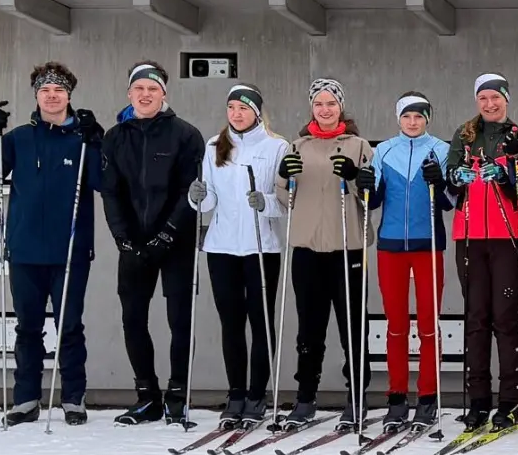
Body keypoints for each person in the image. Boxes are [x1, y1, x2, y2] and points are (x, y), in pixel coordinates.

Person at [0, 63, 103, 427]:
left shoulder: (80, 138)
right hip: (26, 251)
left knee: (70, 326)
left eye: (58, 90)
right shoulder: (19, 137)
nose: (51, 95)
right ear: (36, 95)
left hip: (70, 252)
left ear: (68, 96)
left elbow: (101, 180)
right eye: (45, 90)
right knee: (27, 327)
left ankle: (74, 399)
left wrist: (96, 140)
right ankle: (26, 400)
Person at [104, 61, 206, 425]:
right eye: (139, 89)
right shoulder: (115, 137)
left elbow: (189, 192)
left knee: (180, 320)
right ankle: (146, 396)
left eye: (153, 89)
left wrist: (166, 236)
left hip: (174, 242)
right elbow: (111, 193)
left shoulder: (185, 134)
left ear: (164, 93)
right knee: (133, 318)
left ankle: (178, 394)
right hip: (132, 244)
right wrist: (124, 240)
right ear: (129, 93)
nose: (145, 95)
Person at [274, 78, 374, 430]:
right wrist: (285, 179)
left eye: (332, 103)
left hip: (347, 247)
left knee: (353, 325)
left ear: (341, 107)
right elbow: (285, 200)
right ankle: (305, 397)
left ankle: (357, 397)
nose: (326, 109)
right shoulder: (297, 146)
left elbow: (371, 197)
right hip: (306, 248)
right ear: (312, 108)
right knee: (309, 327)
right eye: (319, 104)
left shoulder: (359, 146)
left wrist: (356, 178)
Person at [187, 84, 288, 427]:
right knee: (231, 323)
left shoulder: (277, 146)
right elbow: (209, 199)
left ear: (257, 112)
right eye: (231, 108)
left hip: (262, 247)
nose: (237, 114)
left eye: (243, 108)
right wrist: (196, 196)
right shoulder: (215, 146)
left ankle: (257, 394)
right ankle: (237, 393)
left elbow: (284, 199)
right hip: (222, 247)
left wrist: (267, 202)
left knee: (260, 323)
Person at [446, 73, 518, 431]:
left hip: (507, 235)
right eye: (482, 98)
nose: (489, 104)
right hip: (468, 235)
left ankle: (510, 401)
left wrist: (504, 174)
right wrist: (457, 175)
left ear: (506, 99)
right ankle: (478, 401)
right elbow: (451, 175)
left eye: (495, 98)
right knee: (476, 318)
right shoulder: (464, 134)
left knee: (505, 317)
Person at [369, 92, 453, 432]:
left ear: (427, 118)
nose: (413, 122)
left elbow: (450, 201)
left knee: (429, 323)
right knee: (396, 324)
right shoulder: (384, 150)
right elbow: (372, 198)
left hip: (428, 245)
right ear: (398, 118)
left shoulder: (442, 150)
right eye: (407, 116)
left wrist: (439, 181)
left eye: (419, 116)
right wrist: (364, 185)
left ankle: (428, 396)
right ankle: (397, 397)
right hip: (390, 245)